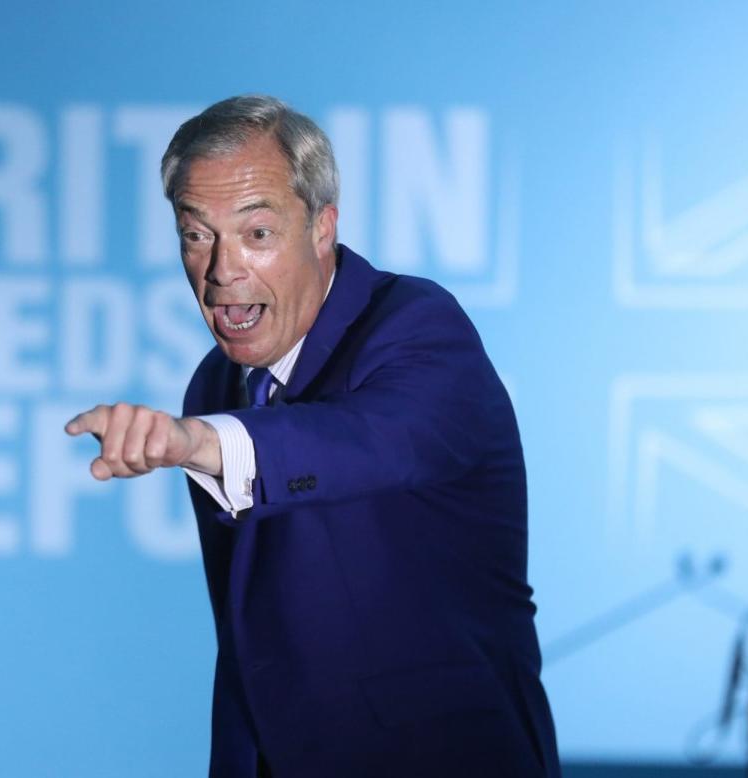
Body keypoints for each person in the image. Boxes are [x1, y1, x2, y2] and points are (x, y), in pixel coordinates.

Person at [65, 95, 559, 778]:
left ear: (322, 227)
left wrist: (197, 445)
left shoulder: (417, 328)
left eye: (256, 234)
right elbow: (254, 632)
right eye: (195, 234)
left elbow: (368, 442)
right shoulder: (214, 386)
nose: (221, 271)